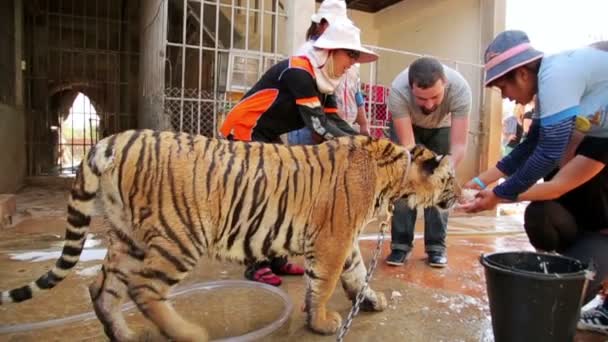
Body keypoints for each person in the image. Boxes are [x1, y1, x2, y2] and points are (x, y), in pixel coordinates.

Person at [220, 20, 378, 285]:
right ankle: (255, 265)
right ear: (331, 50)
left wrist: (366, 142)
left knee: (281, 195)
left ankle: (276, 258)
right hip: (244, 129)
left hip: (267, 135)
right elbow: (317, 125)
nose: (353, 62)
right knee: (261, 198)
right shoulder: (300, 72)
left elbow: (334, 121)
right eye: (350, 54)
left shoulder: (325, 81)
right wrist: (360, 149)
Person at [385, 57, 472, 268]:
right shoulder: (398, 90)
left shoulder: (460, 88)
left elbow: (459, 146)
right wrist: (420, 175)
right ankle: (400, 246)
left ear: (445, 84)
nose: (429, 104)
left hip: (442, 128)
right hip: (409, 128)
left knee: (439, 186)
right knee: (406, 183)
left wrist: (441, 173)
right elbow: (409, 147)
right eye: (421, 99)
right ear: (410, 87)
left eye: (435, 96)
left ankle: (436, 247)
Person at [287, 0, 370, 145]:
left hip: (327, 124)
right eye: (351, 54)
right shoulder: (308, 56)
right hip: (309, 125)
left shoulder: (334, 62)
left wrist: (362, 138)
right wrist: (356, 143)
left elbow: (332, 111)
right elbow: (317, 121)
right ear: (323, 24)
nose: (351, 63)